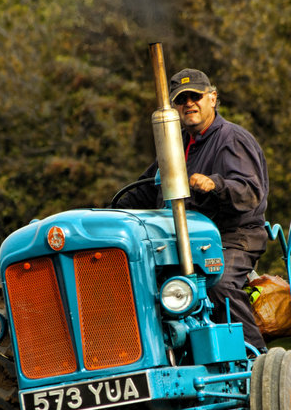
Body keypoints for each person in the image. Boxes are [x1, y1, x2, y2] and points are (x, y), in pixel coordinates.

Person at [115, 68, 269, 353]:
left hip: (232, 236)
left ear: (212, 98)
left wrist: (215, 185)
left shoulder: (231, 139)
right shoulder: (177, 148)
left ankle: (256, 361)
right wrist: (108, 215)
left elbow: (249, 192)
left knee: (217, 285)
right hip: (178, 244)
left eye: (195, 96)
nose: (188, 103)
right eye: (181, 99)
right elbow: (143, 190)